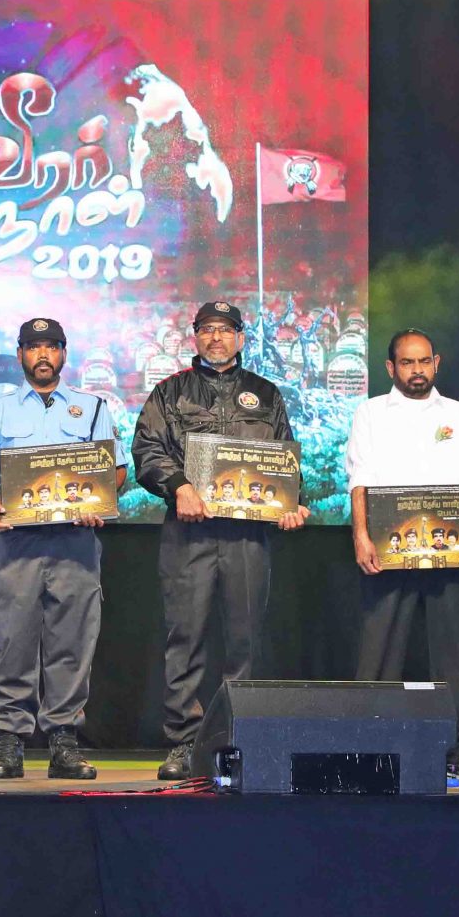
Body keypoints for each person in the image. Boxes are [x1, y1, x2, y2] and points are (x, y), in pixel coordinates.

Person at [134, 300, 307, 780]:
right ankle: (183, 742)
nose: (216, 338)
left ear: (240, 338)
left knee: (244, 640)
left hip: (247, 537)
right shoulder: (170, 392)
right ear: (195, 337)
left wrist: (293, 502)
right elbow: (146, 449)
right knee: (185, 638)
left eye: (226, 330)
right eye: (207, 329)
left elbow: (284, 461)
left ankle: (237, 741)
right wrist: (178, 486)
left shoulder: (266, 393)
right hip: (189, 534)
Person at [0, 317, 129, 780]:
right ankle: (10, 741)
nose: (42, 355)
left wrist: (99, 500)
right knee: (13, 641)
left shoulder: (92, 408)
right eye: (33, 347)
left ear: (63, 355)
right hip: (17, 541)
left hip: (76, 541)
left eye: (51, 347)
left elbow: (115, 469)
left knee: (72, 644)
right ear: (20, 355)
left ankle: (64, 743)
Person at [347, 328, 459, 781]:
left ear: (437, 363)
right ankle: (366, 746)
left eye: (424, 361)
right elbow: (359, 478)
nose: (417, 370)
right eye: (407, 362)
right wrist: (360, 535)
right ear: (391, 368)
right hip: (387, 548)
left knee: (452, 652)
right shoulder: (371, 412)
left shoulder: (458, 413)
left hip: (449, 548)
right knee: (379, 650)